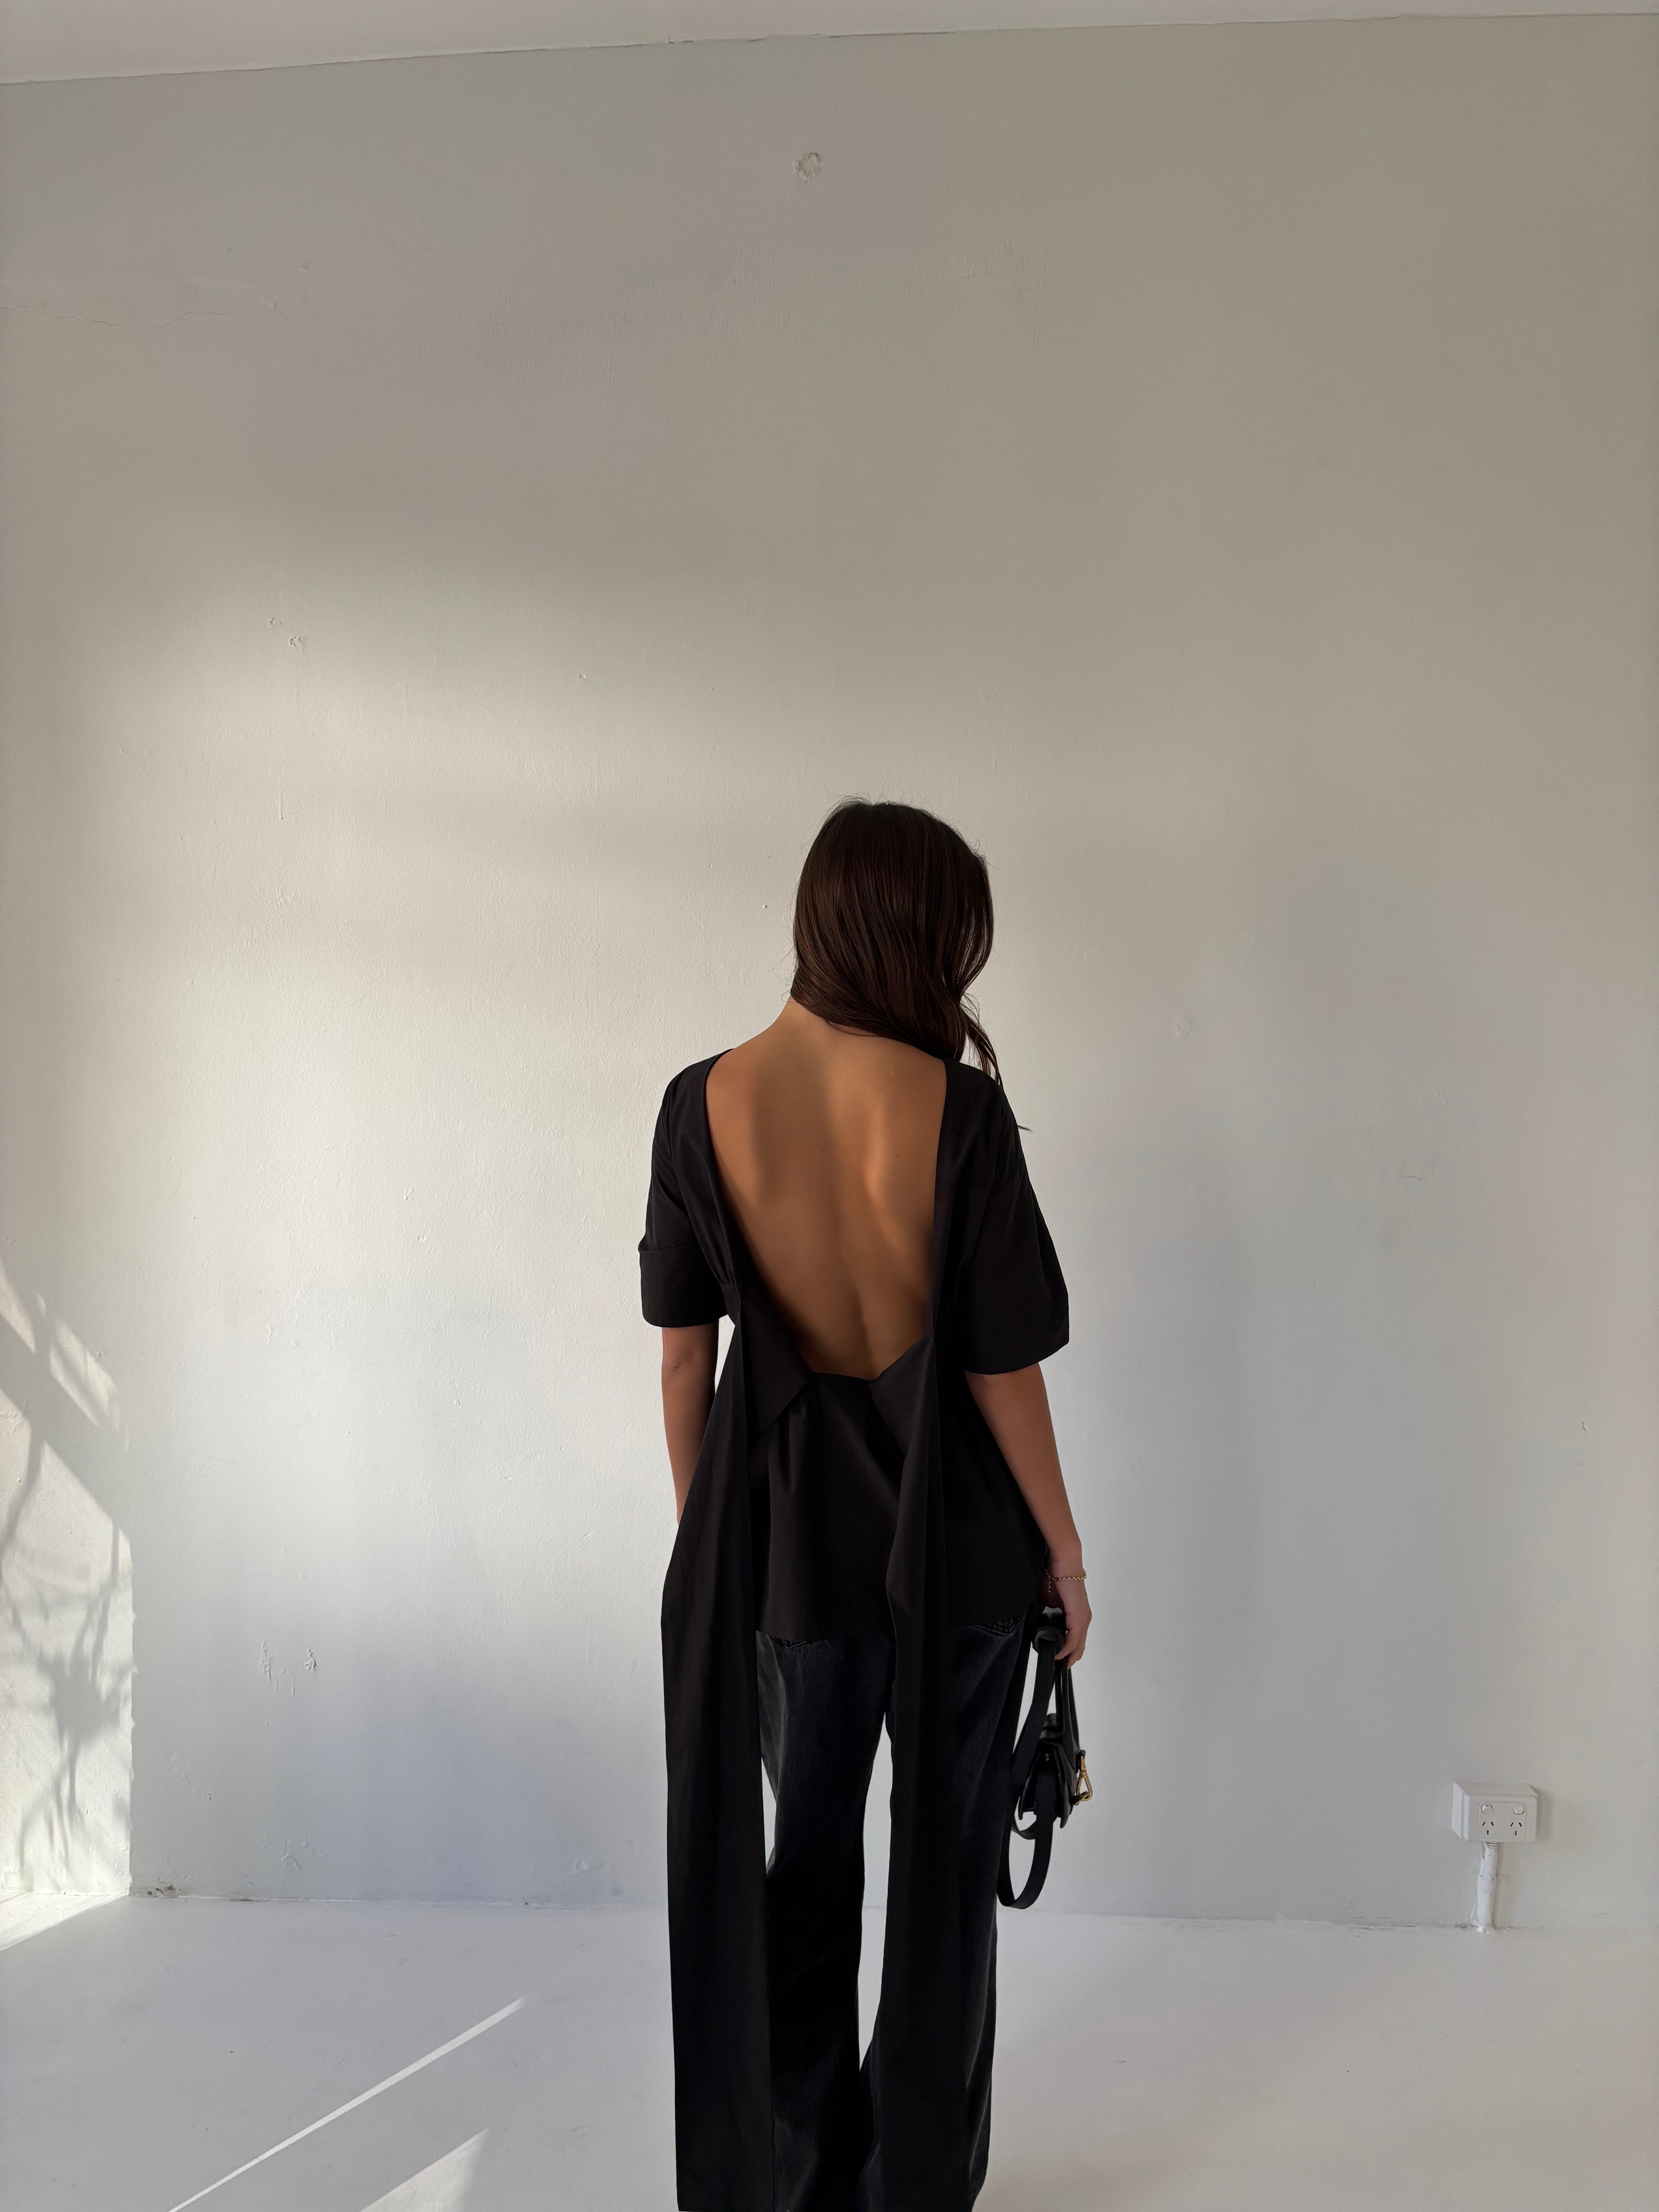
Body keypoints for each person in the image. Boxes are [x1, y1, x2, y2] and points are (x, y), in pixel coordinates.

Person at [640, 799, 1090, 2212]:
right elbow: (1000, 1368)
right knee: (945, 1874)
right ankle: (916, 2188)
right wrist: (1065, 1553)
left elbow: (683, 1362)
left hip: (787, 1551)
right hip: (960, 1547)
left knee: (804, 1861)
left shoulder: (699, 1105)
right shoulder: (959, 1115)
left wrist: (712, 1542)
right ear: (913, 937)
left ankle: (795, 2176)